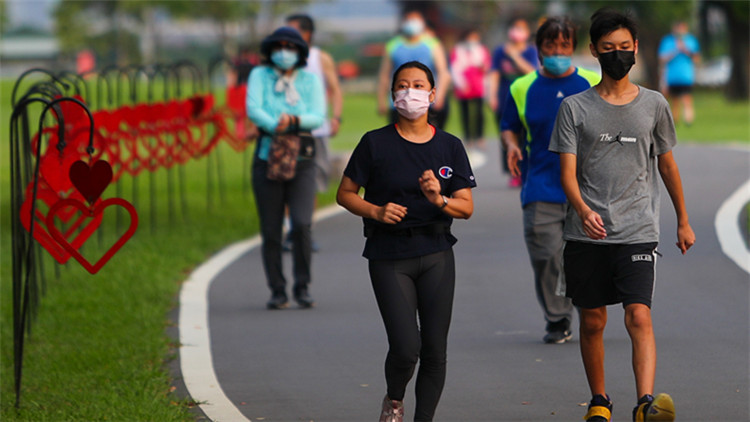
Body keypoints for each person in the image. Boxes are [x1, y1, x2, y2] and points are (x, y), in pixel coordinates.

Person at [549, 8, 695, 422]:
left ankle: (645, 403)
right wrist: (583, 210)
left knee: (638, 315)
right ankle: (599, 400)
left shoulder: (654, 104)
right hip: (586, 233)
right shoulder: (574, 109)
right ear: (594, 51)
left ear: (635, 49)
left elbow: (667, 164)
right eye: (609, 49)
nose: (618, 55)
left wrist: (683, 219)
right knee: (593, 321)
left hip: (638, 228)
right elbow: (567, 172)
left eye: (625, 48)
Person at [337, 61, 475, 422]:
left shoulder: (449, 146)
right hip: (389, 254)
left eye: (417, 85)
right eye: (402, 85)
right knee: (405, 347)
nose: (409, 92)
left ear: (432, 94)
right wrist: (375, 212)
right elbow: (345, 193)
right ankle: (394, 400)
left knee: (434, 350)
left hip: (436, 251)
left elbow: (466, 207)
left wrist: (438, 199)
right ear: (392, 93)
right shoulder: (375, 143)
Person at [501, 16, 600, 344]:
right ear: (539, 48)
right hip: (541, 184)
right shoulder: (521, 86)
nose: (558, 51)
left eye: (564, 45)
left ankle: (587, 312)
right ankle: (558, 318)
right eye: (550, 45)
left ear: (574, 48)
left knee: (581, 260)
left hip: (586, 190)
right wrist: (512, 145)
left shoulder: (592, 82)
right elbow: (508, 125)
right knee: (545, 255)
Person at [246, 26, 325, 309]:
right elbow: (254, 109)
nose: (284, 53)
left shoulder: (310, 80)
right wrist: (274, 125)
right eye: (278, 47)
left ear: (300, 52)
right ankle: (277, 290)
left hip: (302, 159)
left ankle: (302, 286)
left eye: (290, 47)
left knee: (302, 224)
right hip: (267, 157)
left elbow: (318, 115)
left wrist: (292, 122)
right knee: (271, 228)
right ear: (269, 51)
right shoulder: (259, 75)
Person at [283, 13, 344, 252]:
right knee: (286, 179)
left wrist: (336, 117)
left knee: (311, 181)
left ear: (306, 34)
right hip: (287, 131)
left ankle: (304, 231)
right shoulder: (281, 58)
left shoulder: (320, 58)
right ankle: (292, 231)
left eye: (291, 31)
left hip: (316, 131)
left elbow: (336, 89)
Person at [377, 8, 451, 130]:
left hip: (426, 102)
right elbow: (384, 75)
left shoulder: (432, 44)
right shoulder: (393, 45)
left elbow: (443, 73)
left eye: (415, 20)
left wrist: (440, 96)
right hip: (399, 101)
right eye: (409, 20)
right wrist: (381, 100)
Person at [489, 18, 539, 188]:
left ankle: (526, 170)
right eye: (514, 27)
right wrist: (492, 96)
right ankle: (513, 171)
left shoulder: (531, 51)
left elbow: (532, 71)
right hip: (504, 100)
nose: (517, 31)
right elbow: (494, 74)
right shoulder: (499, 52)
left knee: (526, 138)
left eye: (521, 28)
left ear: (526, 33)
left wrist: (514, 56)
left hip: (526, 101)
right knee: (507, 136)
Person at [450, 29, 491, 153]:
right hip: (464, 85)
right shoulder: (458, 50)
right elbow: (454, 68)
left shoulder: (481, 50)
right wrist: (461, 84)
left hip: (478, 85)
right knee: (465, 113)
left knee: (479, 112)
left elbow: (487, 66)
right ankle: (468, 137)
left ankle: (479, 135)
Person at [658, 21, 701, 126]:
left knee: (687, 99)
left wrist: (685, 49)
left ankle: (688, 120)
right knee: (674, 100)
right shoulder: (667, 41)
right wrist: (676, 50)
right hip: (672, 76)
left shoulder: (691, 40)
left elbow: (697, 58)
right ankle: (674, 121)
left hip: (686, 76)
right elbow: (662, 58)